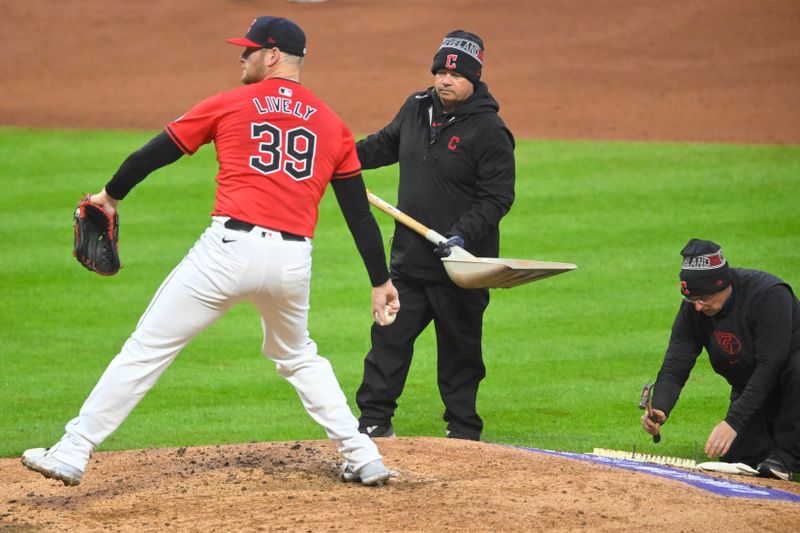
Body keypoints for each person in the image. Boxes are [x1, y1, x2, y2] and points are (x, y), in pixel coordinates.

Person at [21, 16, 400, 488]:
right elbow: (358, 216)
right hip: (292, 262)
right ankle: (364, 456)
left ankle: (73, 451)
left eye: (249, 50)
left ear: (273, 55)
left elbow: (153, 154)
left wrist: (110, 195)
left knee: (148, 347)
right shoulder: (333, 125)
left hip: (228, 251)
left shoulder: (232, 103)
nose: (241, 57)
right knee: (299, 356)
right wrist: (379, 280)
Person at [354, 30, 515, 441]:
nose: (446, 79)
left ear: (474, 78)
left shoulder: (490, 130)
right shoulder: (416, 108)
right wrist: (340, 160)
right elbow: (382, 146)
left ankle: (462, 430)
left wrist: (460, 236)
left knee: (460, 355)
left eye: (456, 74)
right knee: (388, 343)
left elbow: (497, 198)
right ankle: (373, 421)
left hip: (461, 269)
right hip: (409, 263)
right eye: (441, 70)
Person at [642, 238, 800, 481]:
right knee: (738, 460)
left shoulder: (768, 295)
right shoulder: (694, 307)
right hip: (752, 389)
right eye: (691, 299)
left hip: (789, 383)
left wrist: (733, 421)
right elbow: (676, 363)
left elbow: (771, 365)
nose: (697, 307)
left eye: (703, 298)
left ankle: (788, 458)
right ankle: (775, 450)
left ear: (723, 285)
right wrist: (661, 407)